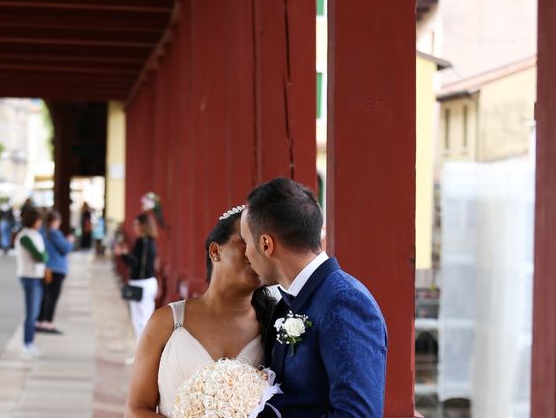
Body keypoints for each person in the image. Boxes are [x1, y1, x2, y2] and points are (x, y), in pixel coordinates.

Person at [240, 177, 388, 418]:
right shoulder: (287, 303)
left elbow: (358, 415)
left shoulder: (345, 302)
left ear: (266, 244)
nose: (246, 255)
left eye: (246, 242)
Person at [124, 207, 275, 417]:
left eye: (262, 243)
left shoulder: (274, 326)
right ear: (215, 251)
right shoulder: (166, 322)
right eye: (246, 241)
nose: (256, 251)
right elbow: (135, 410)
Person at [121, 213, 159, 362]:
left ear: (143, 226)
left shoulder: (142, 242)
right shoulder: (150, 242)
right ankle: (143, 354)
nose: (134, 227)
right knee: (144, 320)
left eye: (137, 224)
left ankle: (142, 356)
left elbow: (137, 265)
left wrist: (124, 255)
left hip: (141, 283)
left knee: (140, 322)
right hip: (148, 283)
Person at [14, 208, 48, 360]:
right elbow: (40, 255)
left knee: (35, 312)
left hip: (36, 276)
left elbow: (43, 255)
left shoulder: (35, 235)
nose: (40, 223)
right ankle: (26, 344)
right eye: (38, 220)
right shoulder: (25, 237)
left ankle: (31, 342)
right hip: (29, 276)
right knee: (31, 312)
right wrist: (44, 257)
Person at [37, 210, 75, 334]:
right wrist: (70, 241)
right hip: (57, 269)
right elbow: (66, 248)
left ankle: (40, 321)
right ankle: (48, 323)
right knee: (53, 297)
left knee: (45, 296)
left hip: (45, 268)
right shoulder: (54, 233)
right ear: (55, 221)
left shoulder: (41, 232)